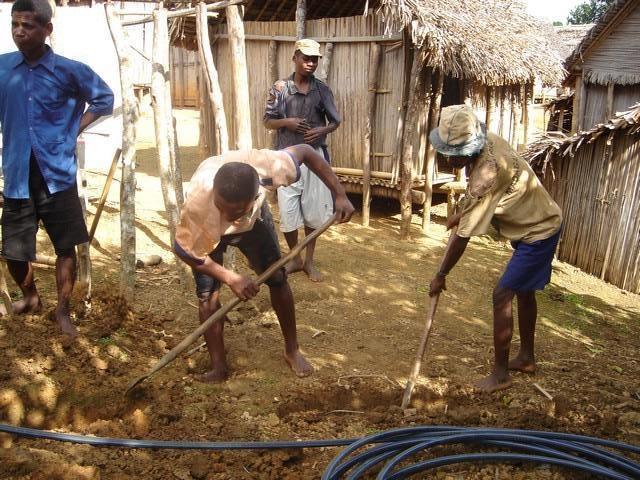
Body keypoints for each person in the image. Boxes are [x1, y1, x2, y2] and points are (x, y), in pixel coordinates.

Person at [174, 144, 354, 382]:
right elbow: (183, 250)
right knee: (207, 297)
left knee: (277, 279)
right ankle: (219, 367)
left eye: (235, 210)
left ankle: (292, 350)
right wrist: (229, 277)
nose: (227, 217)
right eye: (222, 208)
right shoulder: (199, 204)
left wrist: (339, 194)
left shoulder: (269, 167)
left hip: (253, 224)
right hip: (205, 231)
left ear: (256, 194)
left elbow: (307, 152)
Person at [428, 105, 563, 393]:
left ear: (469, 148)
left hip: (539, 231)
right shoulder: (485, 140)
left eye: (454, 153)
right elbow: (473, 200)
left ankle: (501, 375)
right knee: (524, 291)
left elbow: (463, 238)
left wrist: (441, 274)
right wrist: (460, 212)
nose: (448, 158)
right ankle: (526, 358)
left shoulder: (489, 171)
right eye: (445, 150)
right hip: (530, 222)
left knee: (502, 294)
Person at [0, 0, 114, 336]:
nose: (20, 31)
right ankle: (32, 297)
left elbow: (104, 99)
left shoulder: (71, 70)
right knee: (14, 250)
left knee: (66, 246)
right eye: (15, 24)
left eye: (28, 25)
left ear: (47, 30)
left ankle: (62, 310)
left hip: (57, 176)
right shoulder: (3, 69)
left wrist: (74, 129)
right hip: (18, 175)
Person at [263, 38, 341, 282]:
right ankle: (294, 258)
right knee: (288, 211)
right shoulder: (280, 88)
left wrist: (321, 131)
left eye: (314, 59)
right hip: (286, 158)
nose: (310, 63)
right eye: (306, 58)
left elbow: (336, 121)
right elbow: (267, 120)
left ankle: (308, 260)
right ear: (294, 57)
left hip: (315, 159)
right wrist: (288, 122)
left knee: (313, 212)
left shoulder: (321, 89)